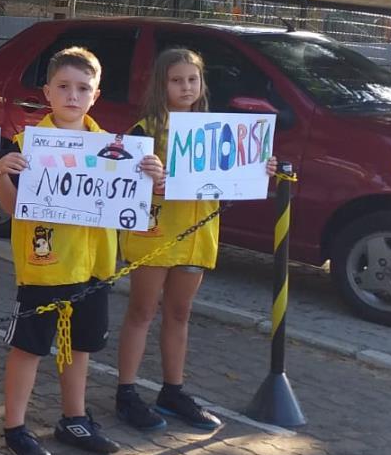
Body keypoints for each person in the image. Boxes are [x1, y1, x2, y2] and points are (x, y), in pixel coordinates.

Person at [0, 47, 166, 455]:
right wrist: (2, 178)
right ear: (47, 92)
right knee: (29, 347)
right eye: (63, 87)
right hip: (45, 266)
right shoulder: (27, 145)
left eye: (82, 88)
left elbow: (138, 202)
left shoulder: (117, 149)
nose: (72, 95)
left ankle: (75, 418)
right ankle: (15, 427)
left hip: (94, 266)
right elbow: (14, 208)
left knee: (80, 347)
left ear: (95, 95)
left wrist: (154, 177)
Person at [114, 47, 277, 432]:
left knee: (180, 313)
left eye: (192, 79)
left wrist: (260, 167)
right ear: (161, 84)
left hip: (197, 234)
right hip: (153, 235)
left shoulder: (218, 130)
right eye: (176, 80)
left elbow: (238, 174)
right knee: (141, 311)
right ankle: (126, 393)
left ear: (202, 83)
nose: (185, 87)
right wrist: (147, 173)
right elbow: (121, 182)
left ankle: (172, 391)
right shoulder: (144, 132)